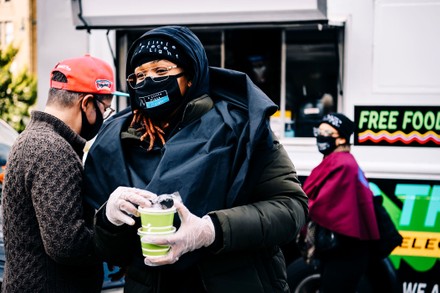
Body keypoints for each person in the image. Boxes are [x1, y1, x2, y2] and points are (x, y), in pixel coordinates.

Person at [83, 25, 309, 292]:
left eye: (161, 71)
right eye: (139, 75)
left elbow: (291, 208)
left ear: (190, 77)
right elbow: (112, 253)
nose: (148, 81)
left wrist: (211, 230)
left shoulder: (241, 129)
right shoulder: (116, 144)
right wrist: (110, 221)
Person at [1, 54, 145, 292]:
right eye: (105, 110)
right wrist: (114, 242)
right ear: (87, 103)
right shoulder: (51, 149)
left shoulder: (32, 138)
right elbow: (66, 244)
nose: (104, 118)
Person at [302, 112, 380, 293]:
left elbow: (323, 205)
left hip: (346, 253)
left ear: (341, 139)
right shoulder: (337, 161)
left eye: (327, 133)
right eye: (319, 132)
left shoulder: (342, 164)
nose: (320, 137)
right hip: (342, 250)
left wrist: (295, 208)